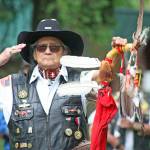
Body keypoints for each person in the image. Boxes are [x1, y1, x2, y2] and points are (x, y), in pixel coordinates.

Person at [0, 18, 127, 150]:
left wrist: (116, 52)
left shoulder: (80, 80)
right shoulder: (11, 85)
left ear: (64, 52)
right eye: (42, 47)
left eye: (54, 47)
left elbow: (107, 73)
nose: (47, 51)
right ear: (35, 54)